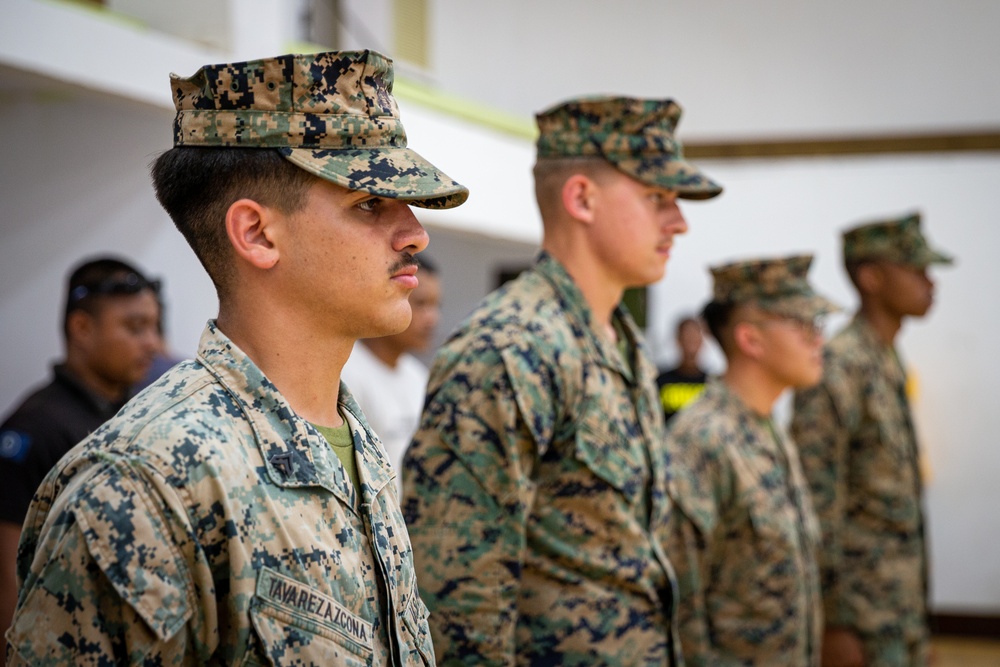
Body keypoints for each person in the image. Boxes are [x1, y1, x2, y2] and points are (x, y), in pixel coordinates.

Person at [5, 50, 467, 666]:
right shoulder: (143, 488)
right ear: (257, 234)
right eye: (368, 204)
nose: (415, 234)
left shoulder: (357, 447)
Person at [402, 96, 723, 666]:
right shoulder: (509, 349)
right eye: (657, 198)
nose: (679, 221)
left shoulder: (620, 343)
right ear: (581, 198)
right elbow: (457, 597)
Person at [790, 212, 953, 667]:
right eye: (916, 269)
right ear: (871, 278)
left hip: (896, 611)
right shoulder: (839, 367)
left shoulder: (885, 359)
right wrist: (834, 622)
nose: (930, 282)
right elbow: (816, 500)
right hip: (859, 620)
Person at [659, 255, 837, 666]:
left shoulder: (766, 429)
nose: (818, 341)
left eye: (819, 326)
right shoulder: (704, 440)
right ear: (750, 339)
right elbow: (681, 607)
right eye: (803, 325)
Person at [0, 256, 161, 664]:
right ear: (82, 329)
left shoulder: (134, 416)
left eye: (154, 327)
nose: (152, 344)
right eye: (135, 327)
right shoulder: (36, 429)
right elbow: (6, 581)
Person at [341, 255, 442, 493]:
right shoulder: (347, 373)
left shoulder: (417, 375)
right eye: (420, 303)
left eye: (437, 305)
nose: (432, 318)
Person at [656, 315, 709, 422]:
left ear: (701, 342)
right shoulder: (660, 382)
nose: (691, 345)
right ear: (678, 340)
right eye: (687, 338)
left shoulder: (712, 384)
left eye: (695, 338)